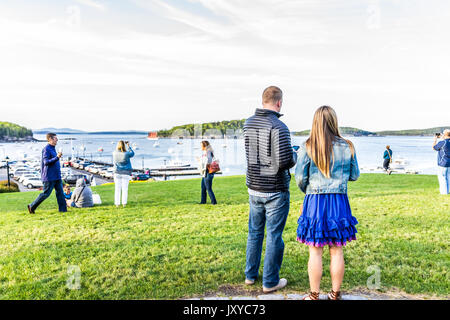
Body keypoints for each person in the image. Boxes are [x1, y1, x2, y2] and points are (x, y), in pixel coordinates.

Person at [295, 106, 359, 300]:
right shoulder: (348, 146)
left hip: (314, 201)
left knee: (315, 251)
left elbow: (299, 178)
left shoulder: (307, 146)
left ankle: (314, 295)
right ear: (334, 122)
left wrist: (309, 190)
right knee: (336, 249)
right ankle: (335, 294)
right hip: (338, 201)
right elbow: (354, 175)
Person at [243, 86, 297, 293]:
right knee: (274, 235)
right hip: (275, 190)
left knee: (254, 233)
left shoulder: (248, 124)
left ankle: (250, 275)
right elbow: (284, 161)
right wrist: (295, 154)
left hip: (254, 187)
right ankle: (270, 281)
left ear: (263, 100)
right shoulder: (279, 126)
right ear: (279, 102)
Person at [28, 133, 67, 214]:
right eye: (56, 138)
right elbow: (46, 162)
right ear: (50, 139)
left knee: (60, 193)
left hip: (57, 176)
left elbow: (54, 161)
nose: (57, 140)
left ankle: (63, 210)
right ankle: (32, 206)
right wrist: (57, 157)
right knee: (46, 194)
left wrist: (57, 158)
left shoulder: (53, 148)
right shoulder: (46, 149)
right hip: (49, 177)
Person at [113, 140, 134, 208]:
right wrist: (128, 146)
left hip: (117, 172)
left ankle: (117, 204)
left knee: (117, 189)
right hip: (126, 173)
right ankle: (124, 203)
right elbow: (132, 153)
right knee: (125, 189)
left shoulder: (114, 153)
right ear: (124, 145)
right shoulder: (126, 153)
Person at [198, 140, 217, 205]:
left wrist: (201, 161)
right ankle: (203, 201)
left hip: (208, 172)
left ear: (204, 146)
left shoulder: (208, 152)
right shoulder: (206, 152)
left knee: (208, 188)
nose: (200, 147)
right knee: (203, 187)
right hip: (205, 172)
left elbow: (208, 161)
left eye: (201, 145)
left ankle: (214, 202)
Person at [433, 129, 450, 195]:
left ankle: (444, 193)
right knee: (448, 178)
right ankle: (447, 191)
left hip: (443, 163)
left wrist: (435, 140)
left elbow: (434, 148)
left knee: (442, 178)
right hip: (449, 163)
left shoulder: (443, 142)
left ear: (445, 134)